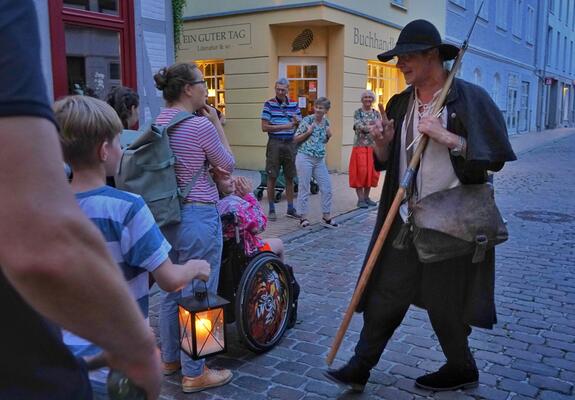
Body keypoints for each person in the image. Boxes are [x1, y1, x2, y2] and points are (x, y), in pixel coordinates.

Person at [325, 19, 516, 393]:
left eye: (407, 57)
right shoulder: (400, 103)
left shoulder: (468, 98)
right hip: (405, 219)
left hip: (450, 221)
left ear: (432, 56)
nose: (399, 65)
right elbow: (387, 162)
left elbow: (494, 158)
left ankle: (462, 367)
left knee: (445, 304)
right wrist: (382, 143)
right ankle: (360, 366)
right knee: (385, 294)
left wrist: (446, 136)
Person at [0, 1, 162, 398]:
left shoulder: (72, 199)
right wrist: (139, 347)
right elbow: (41, 243)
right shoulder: (128, 207)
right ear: (106, 149)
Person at [53, 95, 210, 378]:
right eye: (118, 143)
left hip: (66, 358)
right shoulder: (127, 207)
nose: (121, 150)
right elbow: (170, 280)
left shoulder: (50, 207)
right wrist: (197, 268)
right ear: (104, 150)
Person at [153, 62, 235, 393]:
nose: (206, 89)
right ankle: (195, 371)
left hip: (165, 216)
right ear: (188, 89)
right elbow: (227, 163)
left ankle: (171, 359)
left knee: (171, 291)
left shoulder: (157, 122)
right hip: (197, 215)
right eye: (202, 83)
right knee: (199, 292)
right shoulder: (199, 126)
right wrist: (215, 122)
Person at [293, 97, 339, 229]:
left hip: (319, 160)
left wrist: (328, 136)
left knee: (327, 188)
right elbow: (295, 139)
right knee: (304, 187)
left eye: (321, 108)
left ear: (326, 110)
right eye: (317, 107)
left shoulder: (326, 122)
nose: (318, 110)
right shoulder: (307, 120)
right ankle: (303, 217)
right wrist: (308, 132)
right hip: (305, 157)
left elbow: (322, 141)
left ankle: (326, 216)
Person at [215, 175, 284, 260]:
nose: (232, 180)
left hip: (222, 253)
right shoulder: (233, 204)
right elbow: (259, 226)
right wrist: (250, 196)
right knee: (279, 243)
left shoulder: (212, 204)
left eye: (231, 176)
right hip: (246, 253)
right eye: (226, 178)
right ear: (216, 184)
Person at [261, 77, 302, 221]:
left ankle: (291, 209)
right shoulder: (269, 104)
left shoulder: (294, 105)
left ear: (287, 90)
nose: (280, 92)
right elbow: (264, 127)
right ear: (275, 89)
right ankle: (271, 209)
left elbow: (299, 125)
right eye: (277, 89)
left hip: (290, 143)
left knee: (290, 177)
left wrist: (297, 123)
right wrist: (285, 126)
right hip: (275, 143)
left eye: (282, 89)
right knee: (272, 176)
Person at [349, 90, 381, 208]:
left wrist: (370, 127)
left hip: (373, 147)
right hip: (360, 146)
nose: (368, 99)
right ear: (362, 99)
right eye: (365, 97)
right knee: (360, 172)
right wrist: (372, 127)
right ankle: (360, 199)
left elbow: (380, 127)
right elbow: (358, 126)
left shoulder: (376, 113)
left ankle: (367, 198)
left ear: (373, 99)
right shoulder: (358, 112)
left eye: (370, 97)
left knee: (370, 173)